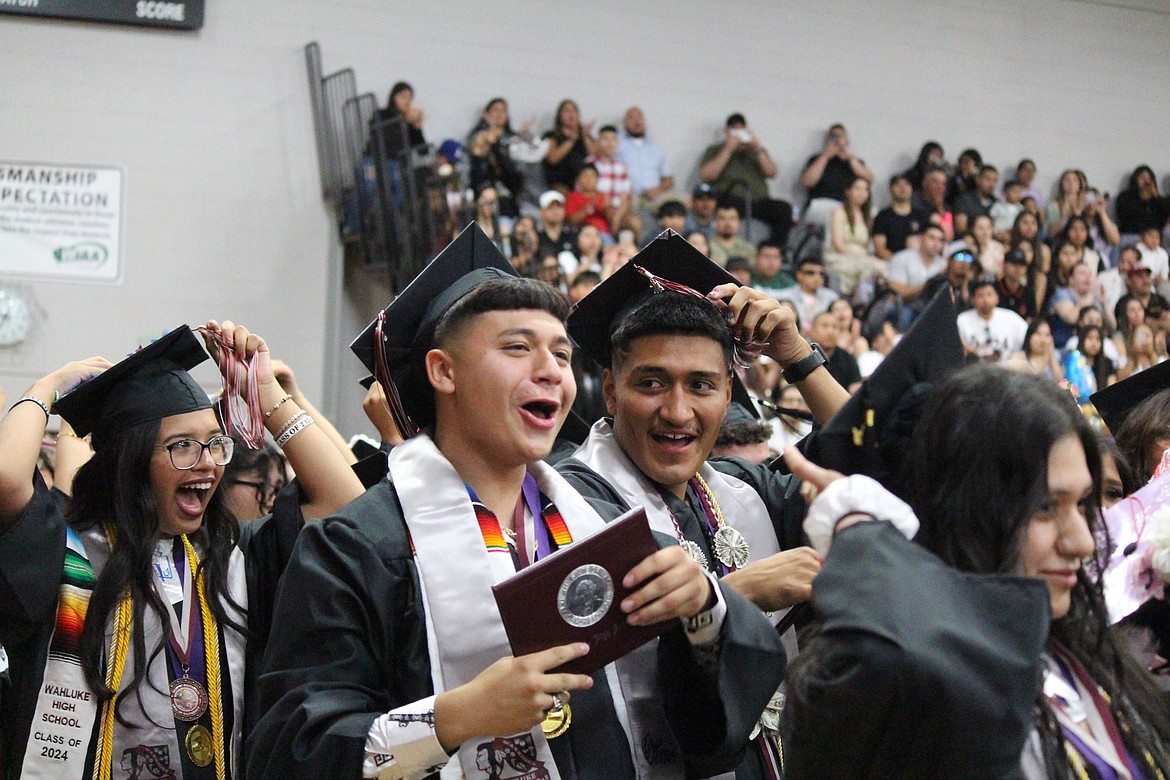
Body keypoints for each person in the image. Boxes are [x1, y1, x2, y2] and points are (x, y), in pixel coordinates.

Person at [248, 226, 786, 780]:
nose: (552, 369)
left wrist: (705, 608)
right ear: (443, 371)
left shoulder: (607, 524)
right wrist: (454, 718)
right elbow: (290, 750)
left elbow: (709, 734)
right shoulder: (358, 547)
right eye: (517, 348)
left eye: (560, 352)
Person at [0, 322, 362, 780]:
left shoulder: (235, 557)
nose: (209, 462)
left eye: (213, 443)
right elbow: (7, 481)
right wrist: (43, 390)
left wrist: (266, 393)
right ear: (130, 462)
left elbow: (345, 508)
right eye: (183, 447)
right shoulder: (68, 555)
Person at [781, 365, 1170, 778]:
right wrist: (864, 538)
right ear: (964, 510)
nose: (1083, 541)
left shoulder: (1084, 659)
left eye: (1082, 503)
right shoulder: (906, 694)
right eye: (1044, 507)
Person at [557, 232, 848, 778]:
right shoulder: (569, 498)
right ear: (611, 390)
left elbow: (866, 464)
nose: (677, 411)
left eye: (702, 385)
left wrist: (795, 355)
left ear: (728, 395)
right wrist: (741, 592)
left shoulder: (742, 487)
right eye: (651, 383)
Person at [698, 113, 793, 246]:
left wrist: (758, 150)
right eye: (735, 130)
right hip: (729, 198)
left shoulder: (756, 151)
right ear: (727, 131)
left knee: (784, 209)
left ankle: (774, 248)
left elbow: (772, 172)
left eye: (741, 130)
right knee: (720, 201)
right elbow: (707, 175)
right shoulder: (716, 150)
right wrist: (728, 150)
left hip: (758, 200)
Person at [821, 177, 887, 299]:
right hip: (840, 255)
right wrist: (860, 257)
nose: (862, 193)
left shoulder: (869, 215)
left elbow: (867, 246)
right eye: (858, 189)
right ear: (848, 191)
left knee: (883, 268)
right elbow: (838, 244)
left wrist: (865, 257)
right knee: (869, 266)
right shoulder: (839, 212)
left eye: (865, 189)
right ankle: (858, 302)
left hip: (862, 256)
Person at [799, 123, 874, 226]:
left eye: (840, 136)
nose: (837, 140)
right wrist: (825, 156)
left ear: (847, 140)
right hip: (821, 203)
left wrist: (850, 159)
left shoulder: (855, 163)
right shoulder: (816, 159)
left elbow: (869, 179)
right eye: (833, 136)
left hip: (848, 206)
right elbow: (807, 182)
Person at [616, 106, 683, 216]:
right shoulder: (617, 144)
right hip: (629, 195)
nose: (637, 122)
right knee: (624, 206)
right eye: (632, 118)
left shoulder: (655, 148)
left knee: (684, 202)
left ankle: (678, 234)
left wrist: (658, 189)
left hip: (655, 195)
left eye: (639, 118)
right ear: (625, 122)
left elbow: (668, 178)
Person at [466, 97, 525, 217]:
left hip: (508, 190)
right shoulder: (478, 135)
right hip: (483, 187)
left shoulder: (512, 138)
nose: (499, 114)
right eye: (495, 110)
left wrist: (495, 143)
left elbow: (514, 172)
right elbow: (475, 156)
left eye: (503, 110)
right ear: (486, 114)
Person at [957, 280, 1028, 363]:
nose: (985, 300)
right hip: (974, 370)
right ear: (972, 300)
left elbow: (1030, 337)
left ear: (997, 298)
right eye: (980, 296)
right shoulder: (962, 320)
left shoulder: (1011, 317)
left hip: (1006, 370)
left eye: (989, 295)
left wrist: (1019, 355)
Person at [542, 99, 595, 195]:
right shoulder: (551, 135)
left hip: (582, 186)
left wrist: (585, 136)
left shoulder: (584, 136)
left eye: (574, 111)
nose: (571, 114)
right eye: (566, 111)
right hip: (557, 185)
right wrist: (572, 139)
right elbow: (553, 158)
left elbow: (594, 156)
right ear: (559, 116)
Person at [871, 173, 930, 259]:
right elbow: (880, 249)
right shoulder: (883, 216)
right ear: (891, 189)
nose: (903, 188)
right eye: (898, 185)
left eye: (906, 184)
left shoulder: (921, 216)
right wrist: (899, 262)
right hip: (891, 262)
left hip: (918, 263)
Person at [887, 223, 947, 305]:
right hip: (903, 308)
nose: (936, 243)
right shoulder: (902, 258)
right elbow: (899, 294)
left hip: (933, 310)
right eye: (932, 238)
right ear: (921, 238)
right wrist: (931, 282)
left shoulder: (945, 264)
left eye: (940, 240)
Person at [777, 257, 839, 333]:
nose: (817, 277)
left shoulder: (832, 297)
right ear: (799, 275)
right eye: (810, 273)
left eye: (821, 274)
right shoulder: (785, 296)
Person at [1009, 210, 1052, 316]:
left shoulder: (1043, 249)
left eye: (1033, 223)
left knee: (1041, 278)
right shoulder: (1008, 247)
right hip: (1013, 281)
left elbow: (1044, 272)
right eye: (1025, 223)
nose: (1029, 227)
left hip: (1031, 282)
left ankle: (1033, 315)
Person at [1115, 165, 1169, 241]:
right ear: (1135, 180)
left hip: (1154, 239)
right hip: (1133, 236)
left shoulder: (1157, 200)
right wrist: (1143, 200)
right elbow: (1126, 219)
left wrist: (1157, 197)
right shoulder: (1125, 197)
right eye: (1142, 178)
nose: (1146, 181)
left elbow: (1165, 218)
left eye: (1149, 178)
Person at [952, 164, 999, 237]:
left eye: (995, 180)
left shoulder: (997, 203)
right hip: (967, 240)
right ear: (978, 179)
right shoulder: (965, 199)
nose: (992, 184)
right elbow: (960, 229)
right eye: (988, 179)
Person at [708, 202, 756, 268]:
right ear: (715, 222)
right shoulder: (707, 246)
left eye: (732, 218)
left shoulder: (748, 248)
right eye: (722, 218)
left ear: (738, 222)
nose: (728, 223)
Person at [1045, 169, 1088, 239]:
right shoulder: (1053, 205)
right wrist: (1065, 218)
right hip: (1061, 240)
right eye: (1067, 180)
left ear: (1079, 184)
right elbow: (1050, 232)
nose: (1071, 183)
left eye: (1075, 180)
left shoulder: (1087, 204)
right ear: (1062, 184)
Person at [996, 248, 1036, 321]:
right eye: (1013, 264)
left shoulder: (1028, 292)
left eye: (1021, 265)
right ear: (1004, 265)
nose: (1017, 269)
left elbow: (1031, 318)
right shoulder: (994, 289)